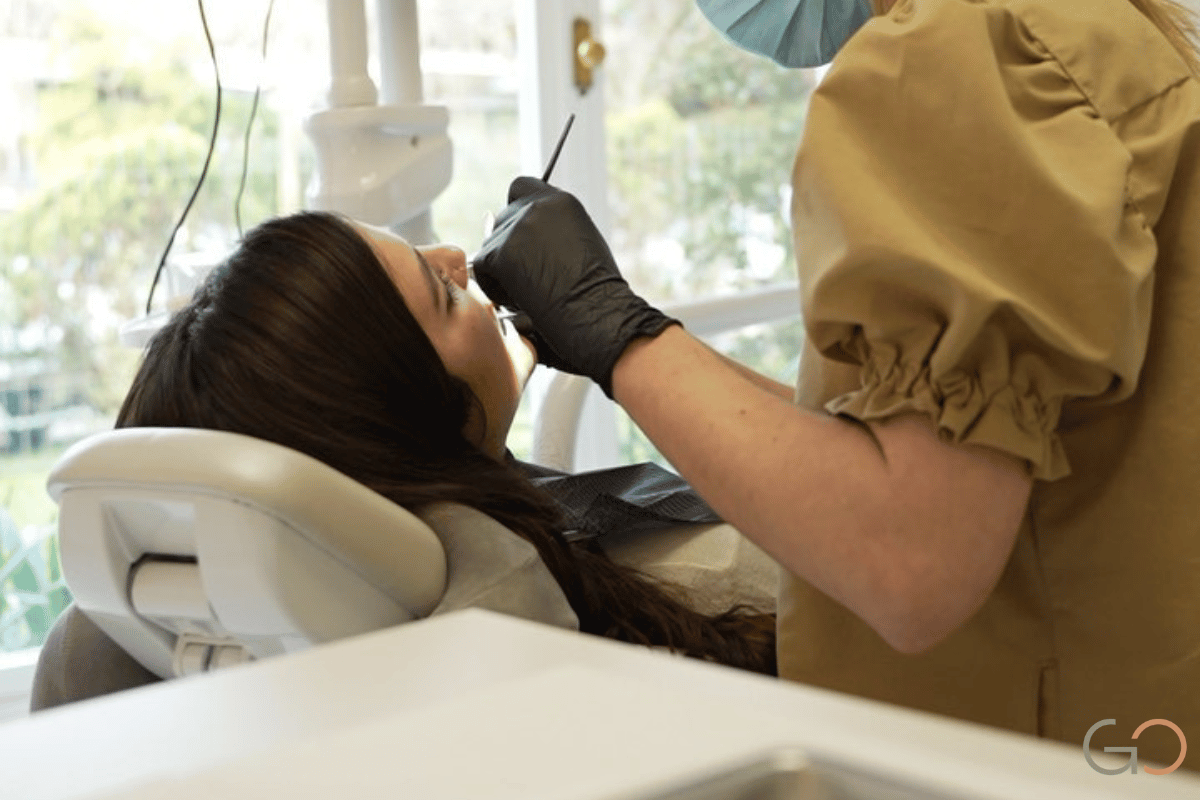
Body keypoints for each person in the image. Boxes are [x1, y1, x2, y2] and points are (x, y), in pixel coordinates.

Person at [472, 0, 1200, 771]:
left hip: (1054, 749)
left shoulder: (957, 60)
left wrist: (613, 330)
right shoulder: (1054, 26)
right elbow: (907, 448)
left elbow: (911, 553)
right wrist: (624, 338)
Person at [111, 210, 776, 678]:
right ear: (420, 428)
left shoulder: (167, 634)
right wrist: (628, 337)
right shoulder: (716, 576)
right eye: (446, 296)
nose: (459, 259)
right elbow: (863, 485)